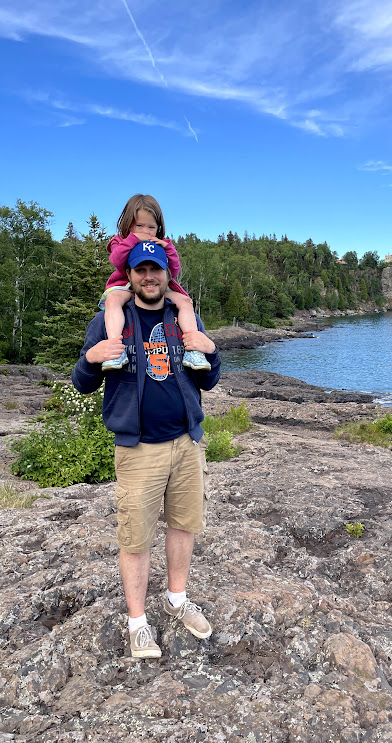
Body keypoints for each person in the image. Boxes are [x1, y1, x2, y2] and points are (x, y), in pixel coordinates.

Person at [72, 240, 221, 658]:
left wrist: (213, 351)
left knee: (182, 525)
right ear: (130, 275)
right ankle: (137, 623)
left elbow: (208, 380)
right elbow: (83, 381)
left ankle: (176, 599)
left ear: (166, 274)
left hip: (187, 443)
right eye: (141, 270)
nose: (149, 277)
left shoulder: (182, 315)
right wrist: (90, 359)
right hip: (138, 451)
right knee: (135, 539)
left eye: (156, 270)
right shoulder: (110, 318)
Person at [100, 193, 210, 373]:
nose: (145, 231)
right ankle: (115, 350)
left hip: (158, 290)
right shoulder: (121, 241)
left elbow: (172, 272)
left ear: (158, 227)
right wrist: (134, 240)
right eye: (140, 226)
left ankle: (194, 349)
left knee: (185, 301)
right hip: (126, 287)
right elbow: (117, 261)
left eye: (151, 227)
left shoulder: (162, 243)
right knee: (112, 300)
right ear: (128, 225)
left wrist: (169, 249)